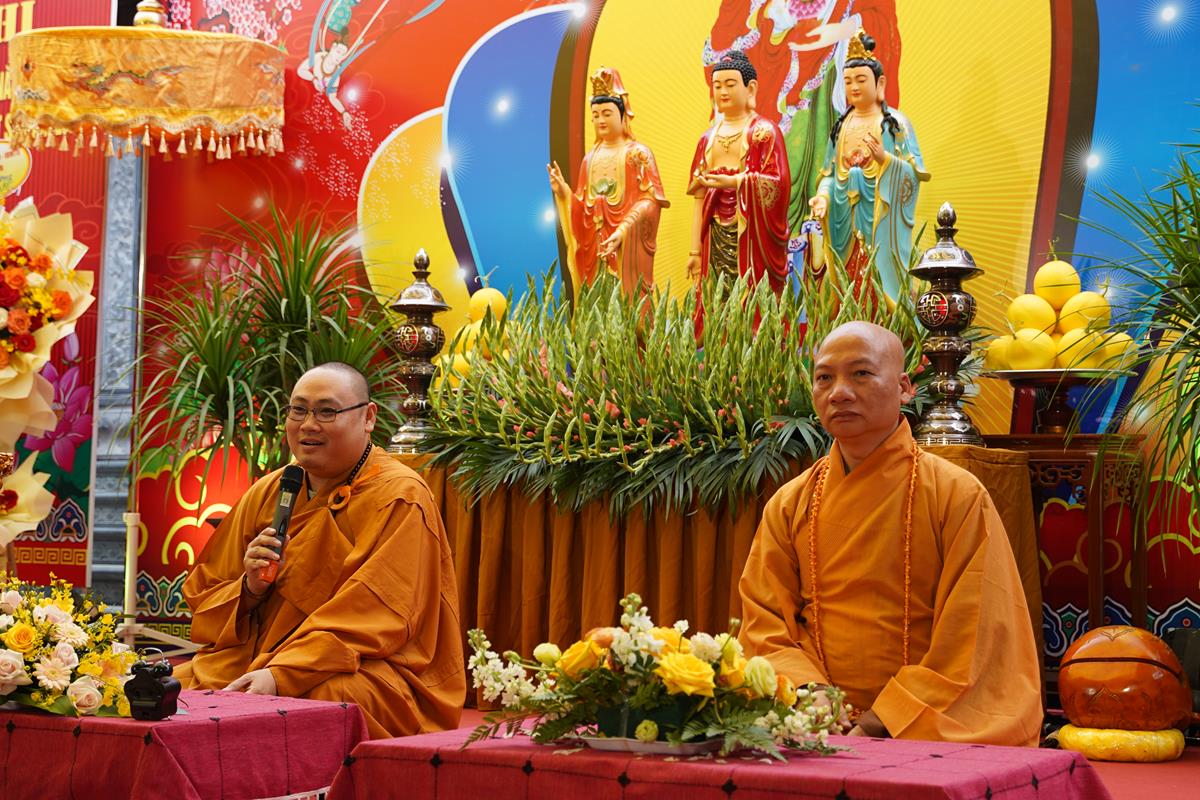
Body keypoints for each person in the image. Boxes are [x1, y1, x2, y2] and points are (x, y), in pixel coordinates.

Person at [738, 322, 1041, 745]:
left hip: (923, 722)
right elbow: (765, 621)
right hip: (815, 719)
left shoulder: (955, 493)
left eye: (860, 373)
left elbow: (973, 629)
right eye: (824, 378)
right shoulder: (790, 503)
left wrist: (883, 718)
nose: (839, 392)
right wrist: (812, 694)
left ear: (904, 388)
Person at [176, 362, 466, 739]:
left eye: (326, 411)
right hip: (256, 657)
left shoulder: (399, 496)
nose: (308, 425)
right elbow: (205, 594)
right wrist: (249, 589)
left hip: (365, 667)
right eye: (298, 410)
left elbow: (375, 614)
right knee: (169, 689)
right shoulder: (271, 491)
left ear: (368, 417)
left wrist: (282, 675)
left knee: (322, 701)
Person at [809, 29, 927, 300]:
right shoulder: (840, 128)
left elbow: (913, 175)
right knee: (845, 283)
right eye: (848, 81)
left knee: (878, 282)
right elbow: (829, 175)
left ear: (879, 82)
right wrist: (823, 197)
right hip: (843, 222)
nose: (854, 87)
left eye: (861, 80)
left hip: (879, 222)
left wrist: (885, 161)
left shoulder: (895, 124)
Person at [549, 67, 669, 297]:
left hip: (626, 250)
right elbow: (583, 208)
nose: (600, 120)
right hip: (595, 252)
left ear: (622, 116)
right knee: (598, 300)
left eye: (606, 113)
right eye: (595, 115)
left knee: (627, 304)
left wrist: (624, 229)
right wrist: (564, 192)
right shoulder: (589, 159)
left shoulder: (638, 154)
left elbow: (651, 202)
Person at [686, 50, 791, 301]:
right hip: (714, 236)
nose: (722, 92)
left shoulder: (764, 133)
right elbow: (699, 199)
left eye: (730, 84)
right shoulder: (707, 139)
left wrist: (736, 182)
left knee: (750, 300)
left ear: (750, 88)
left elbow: (780, 184)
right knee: (715, 299)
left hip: (751, 239)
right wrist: (694, 252)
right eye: (717, 86)